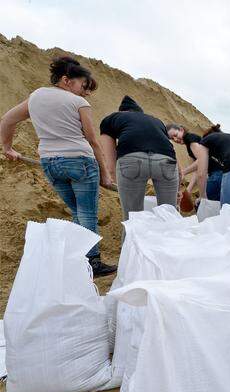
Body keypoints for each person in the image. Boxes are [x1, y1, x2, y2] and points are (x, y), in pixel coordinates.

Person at [0, 56, 116, 276]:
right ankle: (92, 262)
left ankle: (78, 260)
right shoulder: (78, 103)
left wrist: (8, 148)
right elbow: (92, 140)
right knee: (87, 214)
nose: (86, 92)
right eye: (84, 86)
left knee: (77, 212)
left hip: (50, 164)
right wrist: (106, 174)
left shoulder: (35, 97)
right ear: (67, 80)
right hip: (79, 161)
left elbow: (7, 120)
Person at [99, 96, 180, 224]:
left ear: (122, 112)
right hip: (166, 161)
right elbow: (170, 150)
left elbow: (109, 156)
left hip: (132, 159)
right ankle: (174, 243)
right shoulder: (157, 121)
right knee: (170, 217)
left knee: (132, 220)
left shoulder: (112, 119)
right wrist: (178, 186)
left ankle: (133, 243)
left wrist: (112, 176)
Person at [166, 123, 222, 202]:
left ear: (181, 130)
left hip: (217, 174)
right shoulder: (189, 145)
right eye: (172, 138)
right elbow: (197, 170)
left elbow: (202, 160)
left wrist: (183, 172)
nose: (175, 139)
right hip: (216, 174)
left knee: (206, 204)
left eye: (175, 135)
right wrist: (188, 189)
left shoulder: (190, 138)